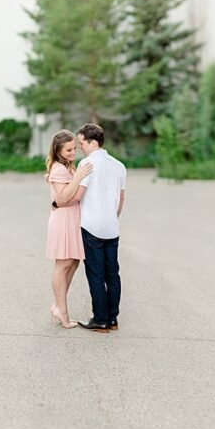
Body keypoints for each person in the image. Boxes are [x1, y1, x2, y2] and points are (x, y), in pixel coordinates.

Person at [73, 123, 126, 333]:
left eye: (82, 143)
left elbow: (78, 195)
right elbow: (121, 198)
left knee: (95, 274)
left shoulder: (87, 164)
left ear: (93, 142)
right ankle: (112, 319)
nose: (80, 148)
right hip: (112, 227)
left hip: (91, 226)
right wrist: (112, 216)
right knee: (112, 274)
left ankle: (100, 319)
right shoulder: (119, 165)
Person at [44, 130, 93, 328]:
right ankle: (61, 310)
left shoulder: (67, 166)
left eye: (74, 148)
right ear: (58, 150)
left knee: (73, 262)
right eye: (69, 149)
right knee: (63, 264)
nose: (73, 152)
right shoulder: (58, 169)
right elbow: (62, 199)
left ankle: (59, 305)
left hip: (72, 218)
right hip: (63, 220)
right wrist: (79, 176)